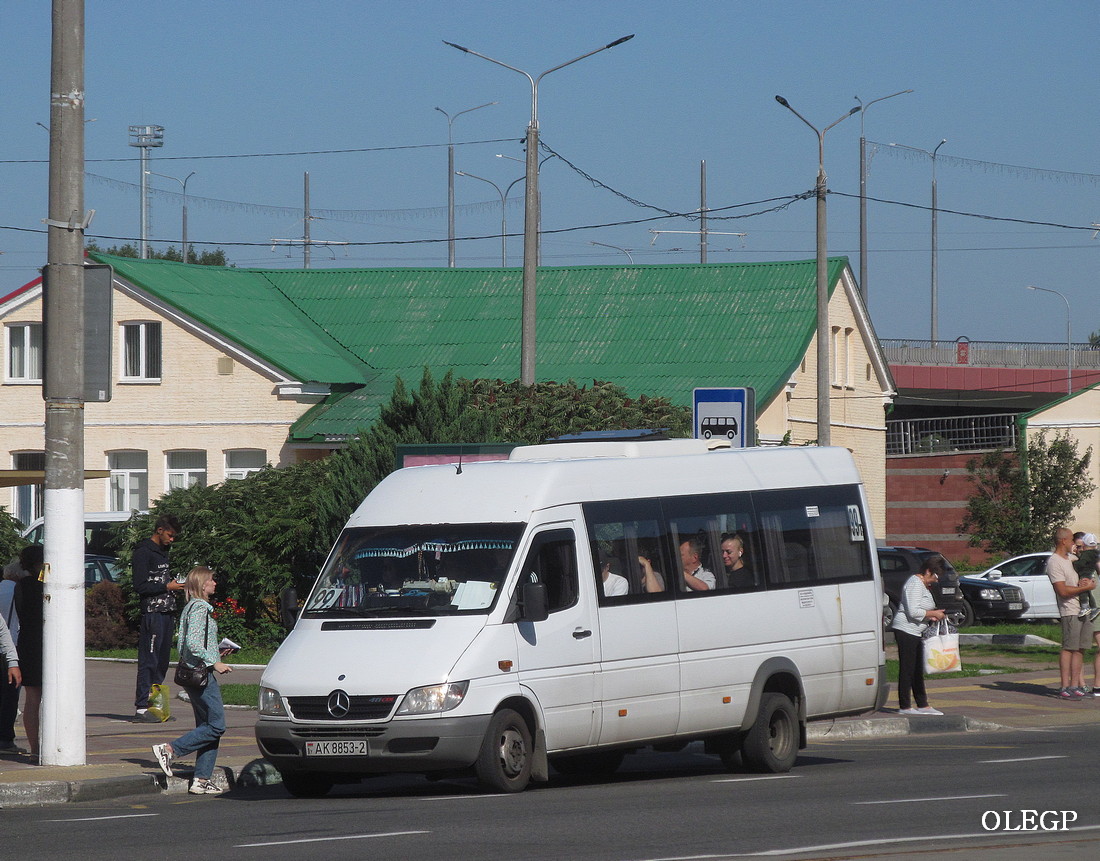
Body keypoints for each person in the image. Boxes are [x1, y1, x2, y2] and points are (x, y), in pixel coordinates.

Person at [152, 566, 233, 795]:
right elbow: (193, 644)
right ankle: (170, 749)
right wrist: (214, 662)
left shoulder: (190, 608)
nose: (215, 584)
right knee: (217, 725)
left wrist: (217, 652)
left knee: (207, 727)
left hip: (192, 672)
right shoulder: (199, 609)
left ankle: (201, 779)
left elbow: (190, 643)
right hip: (201, 675)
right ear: (201, 584)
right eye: (211, 580)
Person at [133, 515, 184, 722]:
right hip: (152, 613)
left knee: (162, 661)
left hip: (166, 611)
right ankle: (141, 707)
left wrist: (173, 587)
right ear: (160, 530)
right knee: (149, 660)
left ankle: (156, 706)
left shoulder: (163, 553)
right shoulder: (143, 552)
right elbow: (140, 586)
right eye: (170, 535)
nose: (172, 540)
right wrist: (166, 587)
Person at [891, 552, 947, 716]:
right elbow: (913, 611)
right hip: (906, 629)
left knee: (916, 669)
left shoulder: (922, 585)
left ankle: (922, 704)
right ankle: (905, 706)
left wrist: (934, 614)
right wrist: (933, 614)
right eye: (936, 575)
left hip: (916, 631)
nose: (937, 580)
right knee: (907, 668)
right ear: (928, 571)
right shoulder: (915, 583)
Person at [1047, 526, 1095, 698]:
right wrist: (1083, 588)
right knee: (1069, 647)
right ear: (1063, 541)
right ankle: (1064, 686)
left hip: (1084, 609)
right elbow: (1062, 590)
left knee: (1080, 648)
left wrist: (1088, 583)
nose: (1074, 543)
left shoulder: (1071, 558)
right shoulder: (1054, 562)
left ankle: (1075, 685)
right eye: (1071, 540)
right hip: (1070, 610)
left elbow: (1087, 574)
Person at [13, 545, 44, 757]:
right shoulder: (44, 586)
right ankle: (40, 747)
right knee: (38, 697)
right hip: (41, 642)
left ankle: (35, 748)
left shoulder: (21, 585)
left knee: (32, 697)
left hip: (28, 642)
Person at [0, 554, 27, 753]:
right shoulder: (18, 590)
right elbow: (9, 627)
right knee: (10, 695)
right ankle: (5, 739)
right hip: (11, 646)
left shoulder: (1, 587)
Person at [1071, 532, 1100, 621]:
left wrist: (1074, 563)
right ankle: (1094, 607)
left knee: (1083, 590)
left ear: (1084, 544)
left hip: (1086, 575)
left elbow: (1081, 564)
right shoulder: (1096, 554)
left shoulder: (1086, 554)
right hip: (1091, 574)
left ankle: (1084, 607)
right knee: (1089, 593)